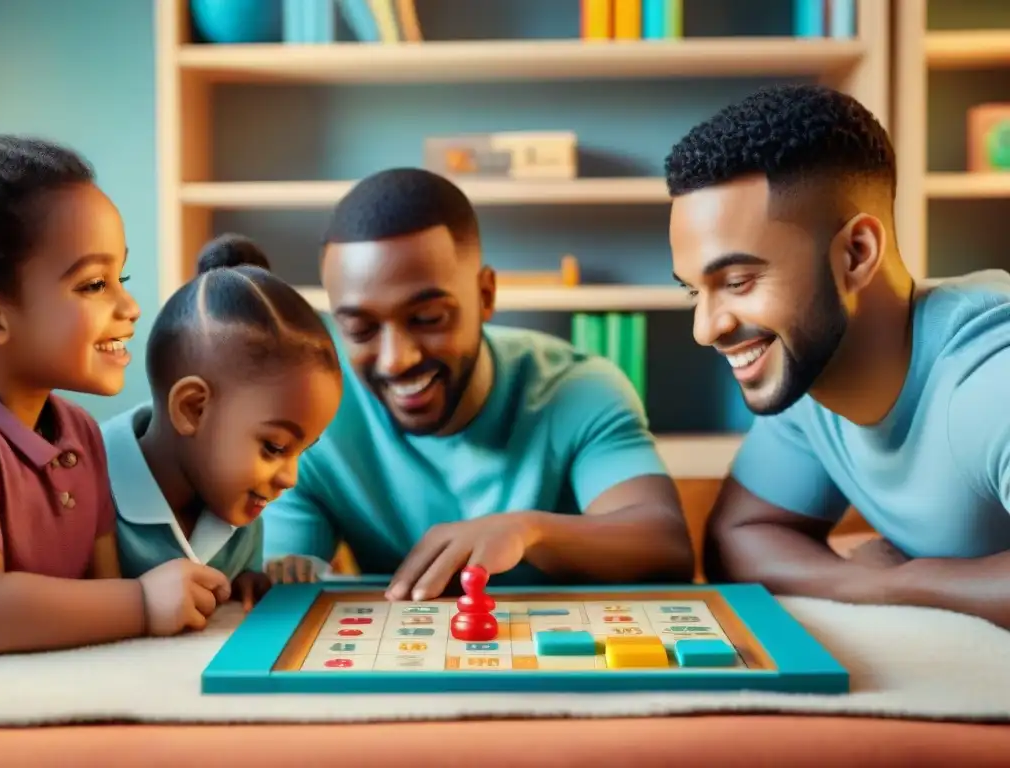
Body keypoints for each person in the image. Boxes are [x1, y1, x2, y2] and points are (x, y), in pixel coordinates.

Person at [666, 83, 1010, 629]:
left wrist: (912, 581)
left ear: (856, 254)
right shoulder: (813, 376)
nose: (706, 329)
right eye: (694, 290)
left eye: (737, 281)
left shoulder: (992, 379)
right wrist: (876, 584)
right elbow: (739, 538)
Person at [262, 167, 694, 600]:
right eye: (360, 329)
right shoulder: (318, 416)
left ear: (485, 294)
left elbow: (665, 547)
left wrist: (530, 531)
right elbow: (276, 579)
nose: (397, 359)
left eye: (429, 319)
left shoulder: (579, 389)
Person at [0, 134, 232, 654]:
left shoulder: (80, 433)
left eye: (121, 276)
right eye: (95, 285)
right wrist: (141, 603)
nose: (131, 305)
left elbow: (101, 592)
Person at [100, 233, 343, 612]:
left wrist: (247, 579)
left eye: (301, 452)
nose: (290, 478)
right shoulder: (80, 482)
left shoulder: (239, 503)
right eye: (275, 447)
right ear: (193, 408)